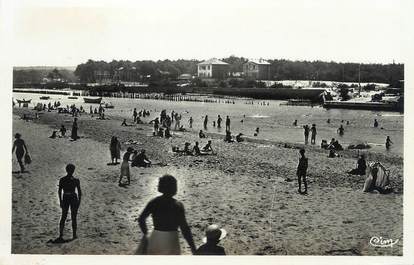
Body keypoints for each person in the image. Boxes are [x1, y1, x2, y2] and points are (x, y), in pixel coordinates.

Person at [138, 174, 197, 255]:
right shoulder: (177, 205)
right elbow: (184, 228)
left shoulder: (154, 202)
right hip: (171, 239)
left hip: (156, 237)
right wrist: (193, 247)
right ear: (174, 188)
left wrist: (146, 234)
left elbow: (141, 219)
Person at [57, 164, 81, 241]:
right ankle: (73, 234)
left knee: (65, 216)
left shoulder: (63, 179)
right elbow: (80, 192)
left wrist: (60, 201)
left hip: (67, 197)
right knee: (72, 217)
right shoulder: (75, 180)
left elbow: (59, 191)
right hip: (72, 197)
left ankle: (62, 234)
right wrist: (79, 201)